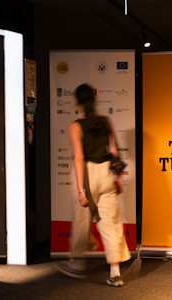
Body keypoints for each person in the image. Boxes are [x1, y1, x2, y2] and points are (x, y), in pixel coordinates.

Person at [57, 83, 131, 287]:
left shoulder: (75, 126)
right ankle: (115, 274)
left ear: (77, 102)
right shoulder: (105, 121)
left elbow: (79, 158)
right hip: (107, 172)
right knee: (111, 224)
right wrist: (117, 179)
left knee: (82, 222)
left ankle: (77, 264)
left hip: (87, 174)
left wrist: (81, 189)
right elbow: (114, 151)